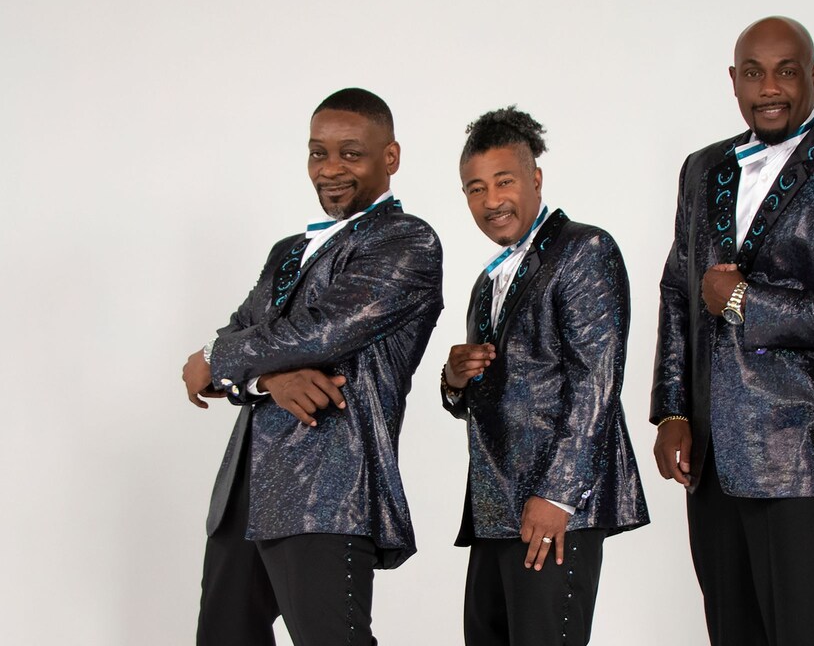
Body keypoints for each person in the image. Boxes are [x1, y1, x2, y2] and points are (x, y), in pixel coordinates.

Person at [651, 17, 814, 646]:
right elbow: (677, 289)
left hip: (803, 455)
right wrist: (672, 410)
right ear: (733, 82)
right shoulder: (702, 168)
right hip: (712, 456)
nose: (770, 87)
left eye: (787, 71)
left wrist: (744, 299)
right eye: (754, 73)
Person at [181, 87, 444, 646]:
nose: (330, 169)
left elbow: (321, 332)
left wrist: (214, 360)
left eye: (351, 153)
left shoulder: (408, 241)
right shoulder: (287, 251)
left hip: (328, 489)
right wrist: (265, 378)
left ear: (390, 157)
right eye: (317, 153)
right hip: (244, 492)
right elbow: (242, 328)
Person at [441, 106, 649, 646]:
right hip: (494, 507)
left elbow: (597, 383)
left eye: (504, 181)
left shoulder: (585, 249)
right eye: (474, 188)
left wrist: (557, 496)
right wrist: (455, 380)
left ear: (536, 178)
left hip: (556, 507)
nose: (491, 201)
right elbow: (479, 399)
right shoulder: (488, 283)